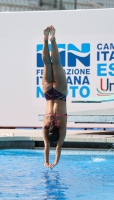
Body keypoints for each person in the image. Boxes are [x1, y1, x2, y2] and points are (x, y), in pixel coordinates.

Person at [42, 25, 67, 169]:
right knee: (47, 64)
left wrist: (55, 161)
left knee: (56, 63)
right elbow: (47, 145)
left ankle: (53, 39)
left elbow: (58, 147)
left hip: (60, 93)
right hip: (48, 94)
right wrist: (46, 161)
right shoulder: (46, 126)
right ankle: (45, 39)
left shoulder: (62, 127)